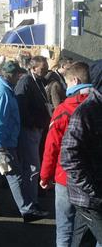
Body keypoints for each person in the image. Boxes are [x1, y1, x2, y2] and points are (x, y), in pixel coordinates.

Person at [0, 61, 48, 223]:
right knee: (14, 175)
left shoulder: (1, 88)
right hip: (3, 142)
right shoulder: (3, 92)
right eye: (18, 74)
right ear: (12, 75)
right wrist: (2, 146)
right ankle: (27, 210)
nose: (20, 77)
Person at [40, 62, 92, 247]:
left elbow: (52, 146)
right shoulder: (97, 106)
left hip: (64, 177)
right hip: (91, 178)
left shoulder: (63, 110)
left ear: (75, 80)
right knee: (88, 231)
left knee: (64, 228)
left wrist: (45, 175)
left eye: (67, 83)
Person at [61, 60, 102, 247]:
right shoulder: (86, 112)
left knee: (81, 241)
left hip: (92, 194)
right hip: (89, 196)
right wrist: (91, 189)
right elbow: (69, 156)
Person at [15, 56, 51, 206]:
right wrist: (33, 124)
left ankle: (32, 198)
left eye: (46, 68)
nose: (45, 71)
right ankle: (31, 201)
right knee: (32, 167)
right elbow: (21, 106)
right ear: (33, 68)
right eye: (42, 69)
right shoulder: (26, 81)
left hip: (37, 128)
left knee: (33, 165)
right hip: (30, 129)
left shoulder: (38, 81)